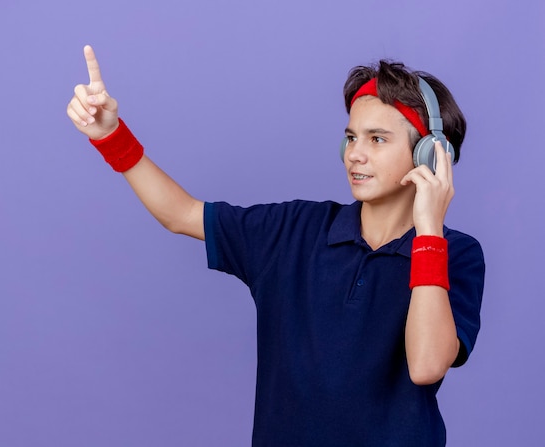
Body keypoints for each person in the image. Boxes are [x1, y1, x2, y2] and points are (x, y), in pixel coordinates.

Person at [67, 45, 484, 447]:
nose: (355, 154)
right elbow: (181, 214)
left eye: (377, 139)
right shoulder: (293, 229)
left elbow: (427, 366)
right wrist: (110, 136)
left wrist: (429, 233)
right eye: (351, 137)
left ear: (430, 156)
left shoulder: (458, 253)